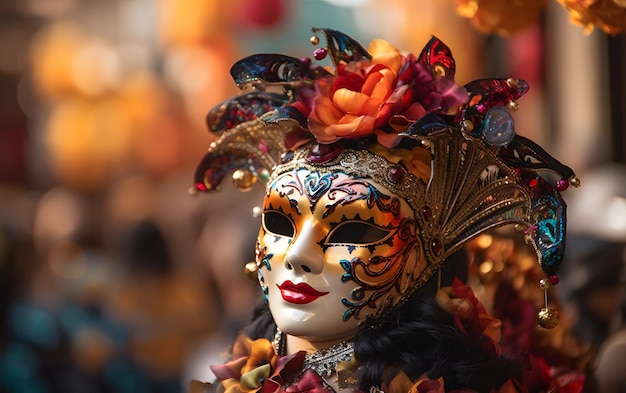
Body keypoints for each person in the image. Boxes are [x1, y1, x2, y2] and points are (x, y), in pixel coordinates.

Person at [189, 29, 582, 392]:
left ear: (423, 258)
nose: (297, 257)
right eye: (279, 222)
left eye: (355, 230)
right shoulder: (241, 370)